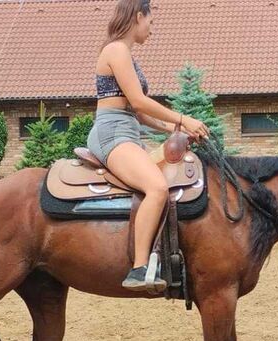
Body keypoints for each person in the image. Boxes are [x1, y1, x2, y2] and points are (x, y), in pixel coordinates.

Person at [87, 0, 210, 292]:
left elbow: (138, 113)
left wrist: (176, 130)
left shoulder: (126, 54)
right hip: (112, 134)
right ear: (139, 16)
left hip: (127, 131)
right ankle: (138, 269)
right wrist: (184, 118)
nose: (151, 31)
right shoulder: (116, 50)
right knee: (156, 187)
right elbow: (140, 102)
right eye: (151, 23)